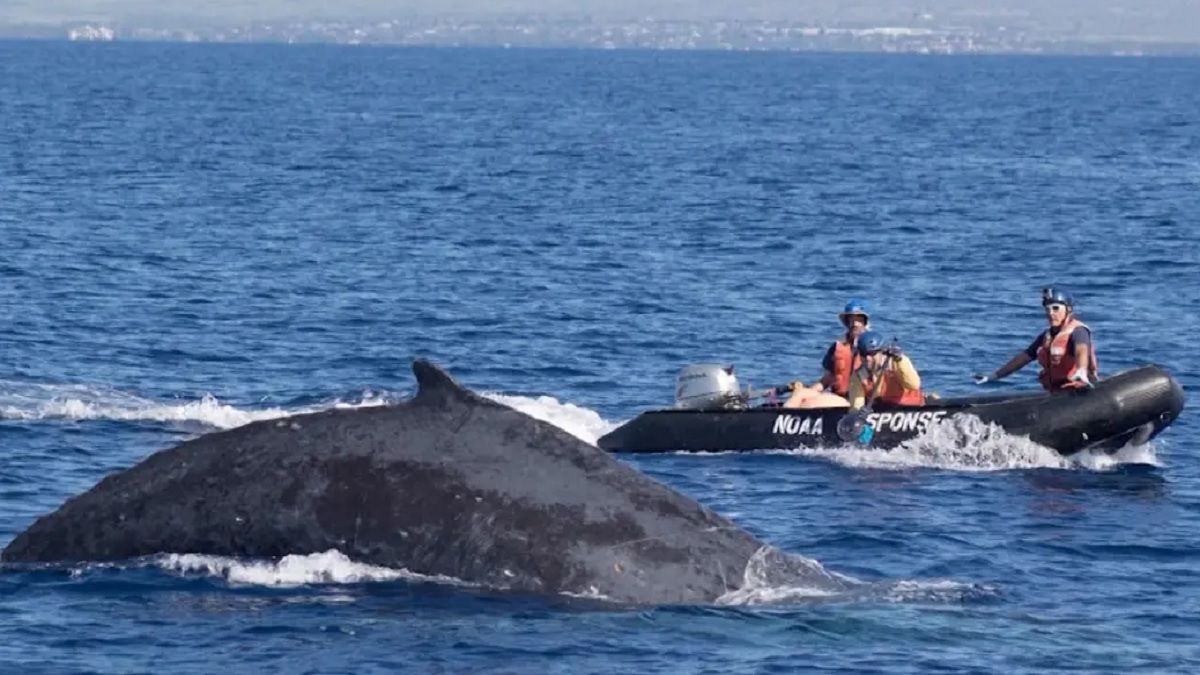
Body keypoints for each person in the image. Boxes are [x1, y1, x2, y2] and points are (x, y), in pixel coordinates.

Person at [972, 288, 1098, 391]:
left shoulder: (1078, 331)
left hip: (1079, 390)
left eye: (1055, 308)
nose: (1050, 313)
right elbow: (1023, 358)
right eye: (1047, 309)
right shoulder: (1046, 336)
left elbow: (1081, 349)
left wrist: (1081, 370)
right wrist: (994, 376)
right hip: (1056, 393)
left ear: (1068, 310)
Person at [846, 331, 925, 410]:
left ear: (881, 352)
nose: (868, 358)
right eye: (863, 354)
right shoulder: (859, 375)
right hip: (885, 411)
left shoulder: (897, 362)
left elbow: (914, 385)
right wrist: (858, 414)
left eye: (872, 353)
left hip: (912, 409)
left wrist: (900, 360)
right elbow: (856, 405)